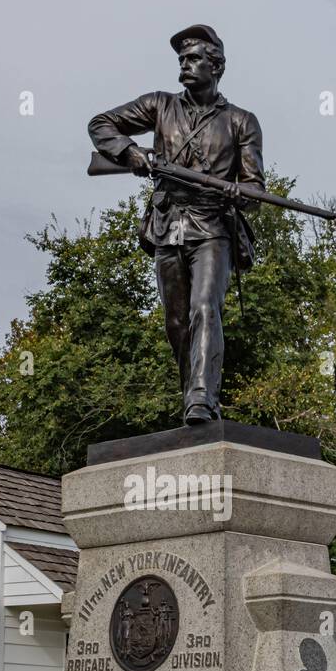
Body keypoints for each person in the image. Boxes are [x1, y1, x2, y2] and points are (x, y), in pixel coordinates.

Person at [88, 25, 264, 423]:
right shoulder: (159, 105)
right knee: (176, 322)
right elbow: (100, 124)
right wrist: (130, 152)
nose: (185, 66)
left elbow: (254, 189)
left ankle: (201, 397)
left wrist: (242, 194)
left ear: (216, 65)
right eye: (181, 60)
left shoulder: (242, 122)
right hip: (168, 225)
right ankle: (194, 397)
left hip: (213, 227)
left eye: (194, 59)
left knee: (206, 308)